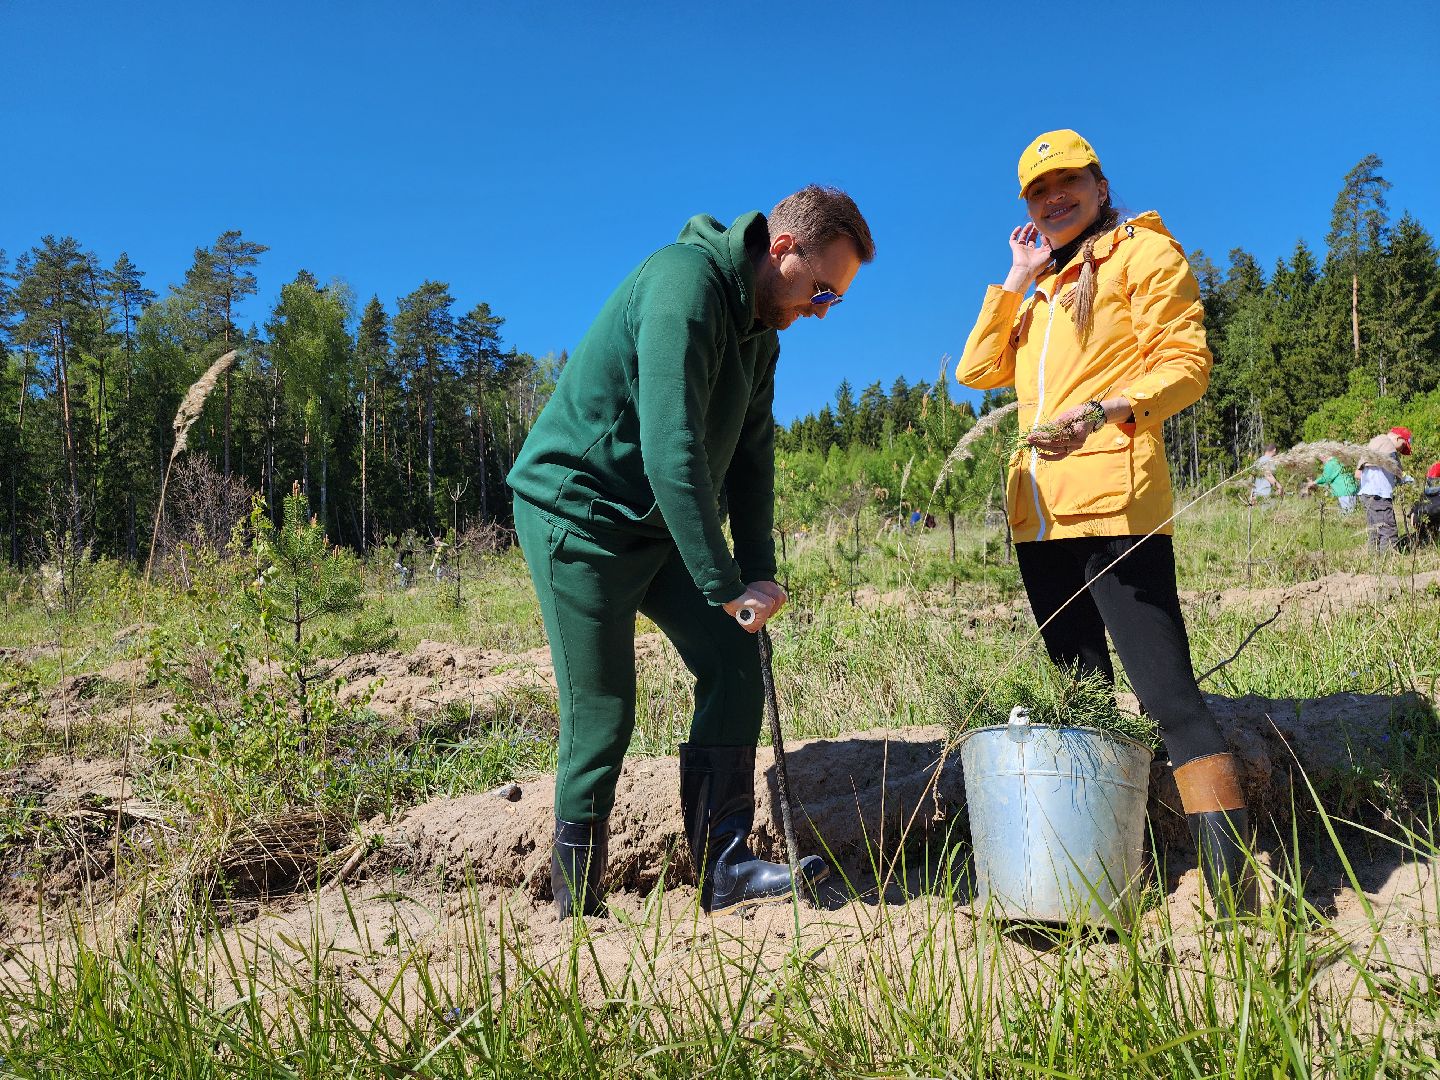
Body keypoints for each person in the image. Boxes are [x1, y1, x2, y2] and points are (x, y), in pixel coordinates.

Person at [508, 186, 875, 918]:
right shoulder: (684, 284)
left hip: (657, 524)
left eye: (834, 301)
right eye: (821, 290)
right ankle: (575, 906)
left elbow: (751, 456)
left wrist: (758, 570)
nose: (819, 310)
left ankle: (725, 866)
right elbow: (671, 450)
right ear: (782, 249)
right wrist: (722, 582)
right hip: (578, 517)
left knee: (734, 662)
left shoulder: (761, 332)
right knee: (604, 705)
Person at [956, 129, 1254, 912]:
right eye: (1037, 192)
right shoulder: (1042, 289)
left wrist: (1106, 409)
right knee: (1082, 696)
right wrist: (1019, 275)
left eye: (1067, 184)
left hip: (1116, 504)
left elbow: (1187, 364)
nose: (1053, 200)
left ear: (1098, 182)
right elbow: (976, 372)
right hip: (1040, 517)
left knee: (1170, 701)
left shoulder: (1143, 255)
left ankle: (1236, 895)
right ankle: (1089, 877)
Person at [1355, 426, 1413, 551]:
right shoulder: (1386, 443)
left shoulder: (1374, 444)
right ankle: (1388, 561)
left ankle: (1373, 560)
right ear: (1398, 438)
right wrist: (1406, 478)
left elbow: (1358, 474)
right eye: (1403, 446)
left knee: (1375, 530)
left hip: (1366, 494)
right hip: (1379, 496)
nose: (1401, 450)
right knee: (1388, 530)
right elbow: (1395, 468)